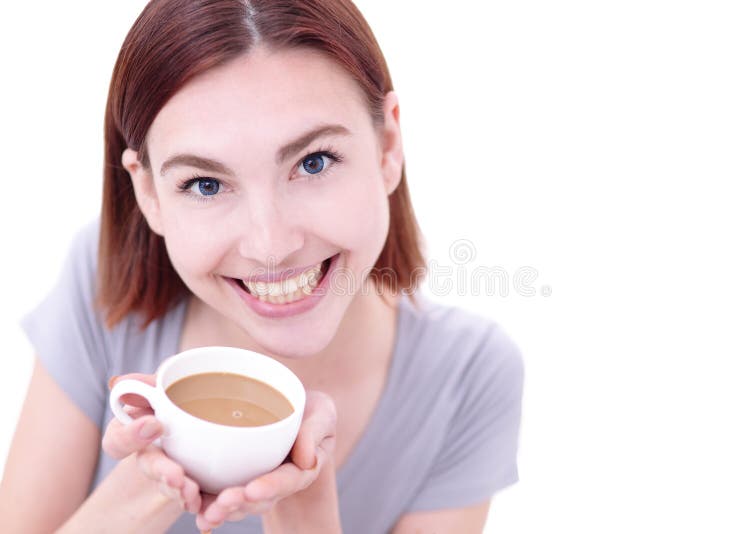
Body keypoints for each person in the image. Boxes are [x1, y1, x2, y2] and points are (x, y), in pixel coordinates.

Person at [0, 0, 524, 532]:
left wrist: (304, 497)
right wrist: (153, 478)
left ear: (388, 145)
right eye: (205, 185)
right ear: (149, 191)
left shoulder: (469, 376)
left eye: (313, 162)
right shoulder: (102, 285)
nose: (270, 245)